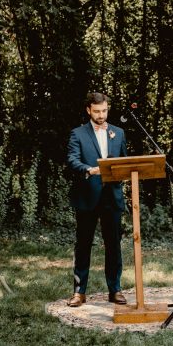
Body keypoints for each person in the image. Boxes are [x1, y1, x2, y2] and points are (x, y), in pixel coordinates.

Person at [66, 92, 127, 307]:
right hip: (87, 197)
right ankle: (79, 292)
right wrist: (88, 170)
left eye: (104, 111)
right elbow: (72, 159)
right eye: (97, 111)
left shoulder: (118, 133)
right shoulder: (77, 134)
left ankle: (115, 289)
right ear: (88, 110)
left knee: (114, 245)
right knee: (83, 245)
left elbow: (124, 162)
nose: (101, 115)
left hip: (112, 197)